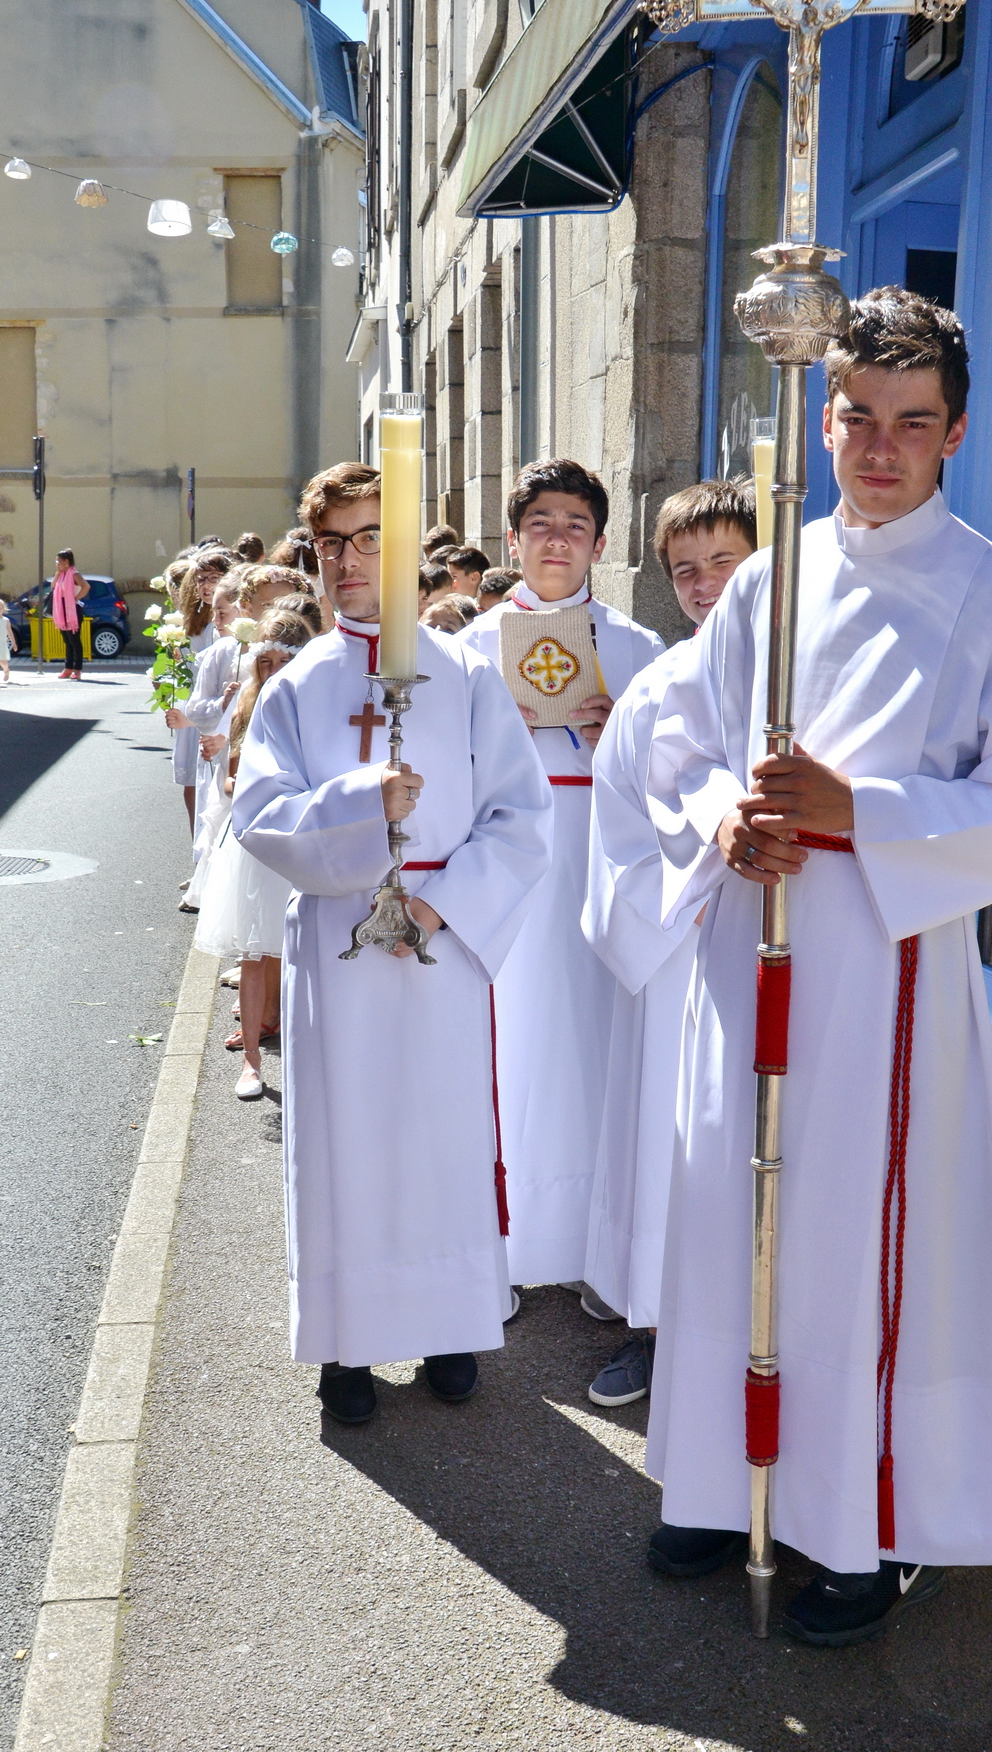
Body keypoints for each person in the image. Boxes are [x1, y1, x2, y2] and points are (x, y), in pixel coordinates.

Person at [640, 287, 992, 1644]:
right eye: (857, 415)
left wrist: (865, 812)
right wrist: (720, 816)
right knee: (730, 1208)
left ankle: (864, 1525)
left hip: (884, 971)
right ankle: (718, 1479)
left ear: (954, 431)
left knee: (856, 1238)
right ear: (823, 419)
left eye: (912, 420)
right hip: (749, 949)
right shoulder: (767, 580)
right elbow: (680, 738)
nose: (880, 445)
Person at [232, 461, 552, 1424]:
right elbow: (260, 815)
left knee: (440, 1140)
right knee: (348, 1146)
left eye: (370, 538)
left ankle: (451, 1325)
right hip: (340, 952)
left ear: (405, 547)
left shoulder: (465, 675)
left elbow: (520, 815)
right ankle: (345, 1342)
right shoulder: (297, 686)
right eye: (331, 543)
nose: (348, 560)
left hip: (440, 950)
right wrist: (359, 802)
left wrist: (442, 906)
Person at [462, 461, 663, 1291]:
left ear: (600, 543)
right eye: (539, 523)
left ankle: (596, 1254)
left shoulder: (640, 650)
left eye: (575, 525)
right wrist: (485, 742)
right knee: (506, 1058)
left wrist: (625, 742)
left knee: (597, 1055)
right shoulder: (465, 652)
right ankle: (500, 1254)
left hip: (598, 875)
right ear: (512, 539)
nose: (557, 539)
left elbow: (677, 785)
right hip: (506, 887)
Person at [583, 480, 757, 1407]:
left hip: (781, 956)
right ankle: (652, 1328)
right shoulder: (656, 684)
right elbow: (616, 825)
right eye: (684, 568)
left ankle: (759, 1338)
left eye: (723, 560)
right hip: (678, 949)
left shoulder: (799, 678)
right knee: (667, 1145)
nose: (703, 583)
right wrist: (679, 905)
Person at [196, 603, 316, 1099]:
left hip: (302, 835)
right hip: (256, 837)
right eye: (265, 662)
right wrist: (243, 781)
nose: (274, 671)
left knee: (299, 947)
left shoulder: (317, 706)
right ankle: (251, 1060)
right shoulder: (248, 703)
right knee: (255, 947)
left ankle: (299, 1045)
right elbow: (230, 778)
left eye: (284, 661)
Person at [168, 549, 237, 833]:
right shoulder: (196, 617)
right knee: (193, 783)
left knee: (216, 783)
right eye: (200, 579)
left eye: (213, 578)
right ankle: (197, 845)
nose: (206, 585)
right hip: (196, 702)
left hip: (216, 710)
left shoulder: (230, 620)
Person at [51, 549, 89, 680]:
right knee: (67, 640)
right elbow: (53, 586)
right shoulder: (61, 575)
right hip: (62, 610)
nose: (57, 563)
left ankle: (77, 669)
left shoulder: (74, 574)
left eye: (59, 561)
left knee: (74, 640)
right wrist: (57, 573)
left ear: (66, 561)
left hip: (73, 610)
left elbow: (86, 586)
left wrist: (75, 598)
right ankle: (68, 668)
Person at [0, 594, 14, 684]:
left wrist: (14, 643)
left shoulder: (6, 620)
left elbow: (10, 632)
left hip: (2, 643)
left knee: (2, 661)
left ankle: (6, 670)